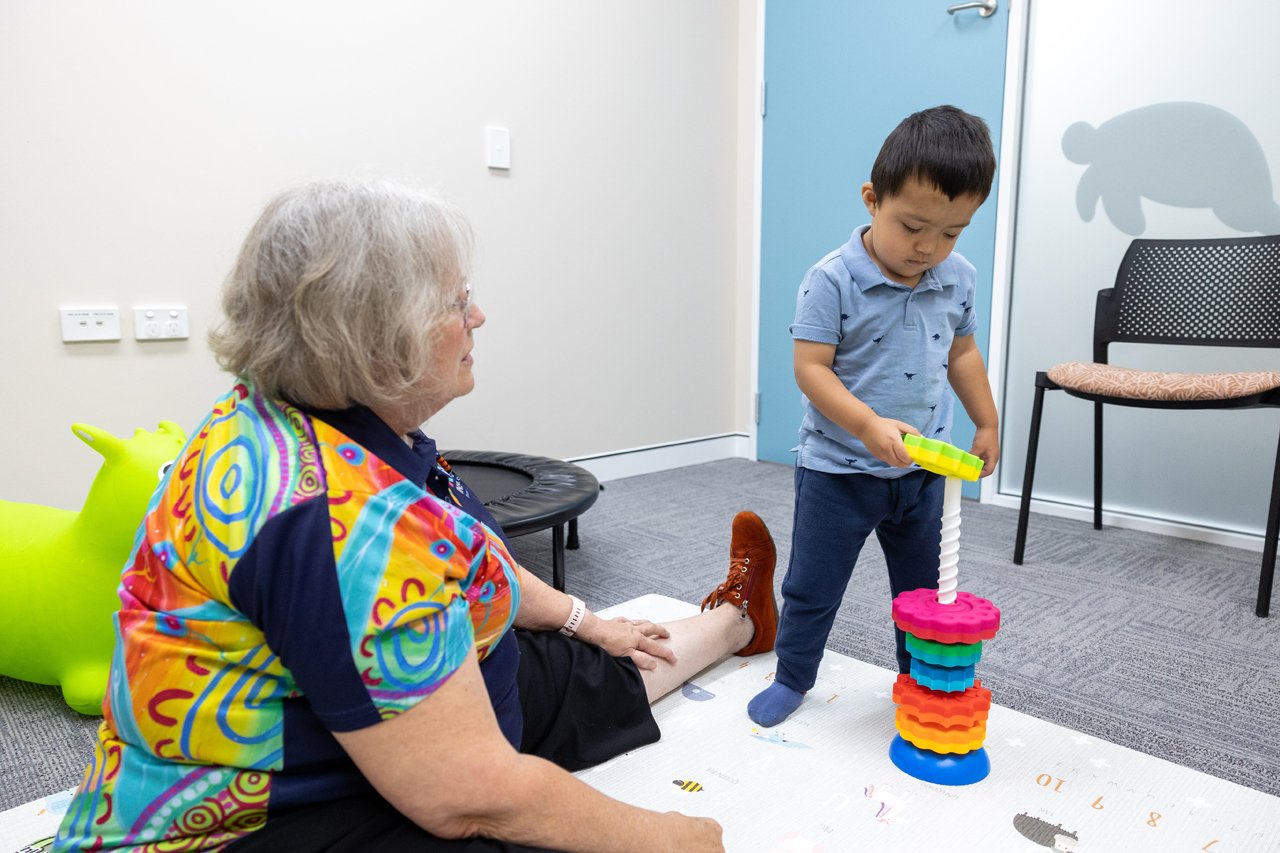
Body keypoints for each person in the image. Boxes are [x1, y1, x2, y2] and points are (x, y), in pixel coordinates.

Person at [52, 179, 779, 853]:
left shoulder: (292, 418)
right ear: (378, 339)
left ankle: (741, 617)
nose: (479, 315)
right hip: (266, 818)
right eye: (457, 301)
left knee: (598, 664)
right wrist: (672, 838)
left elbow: (474, 562)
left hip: (385, 703)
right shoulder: (349, 524)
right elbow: (472, 799)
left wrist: (587, 623)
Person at [747, 106, 1000, 728]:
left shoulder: (956, 277)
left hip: (923, 475)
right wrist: (867, 426)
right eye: (913, 225)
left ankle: (916, 684)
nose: (928, 247)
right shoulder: (831, 280)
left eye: (951, 233)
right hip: (839, 472)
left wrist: (986, 421)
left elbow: (963, 350)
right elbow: (811, 370)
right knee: (813, 587)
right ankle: (793, 676)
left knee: (921, 596)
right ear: (871, 199)